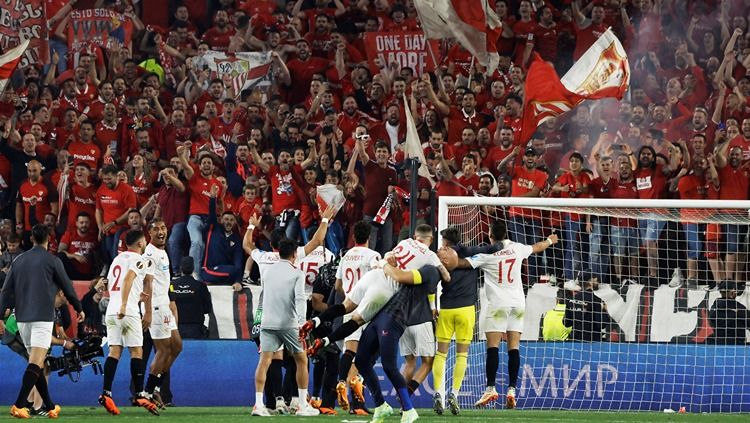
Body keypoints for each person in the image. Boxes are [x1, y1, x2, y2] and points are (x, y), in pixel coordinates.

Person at [456, 220, 558, 409]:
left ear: (490, 236)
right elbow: (536, 247)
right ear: (506, 235)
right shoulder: (517, 248)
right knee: (514, 348)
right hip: (518, 304)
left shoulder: (487, 254)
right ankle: (511, 390)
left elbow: (462, 264)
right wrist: (550, 241)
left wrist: (448, 255)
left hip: (498, 305)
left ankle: (491, 388)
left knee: (493, 347)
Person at [302, 224, 452, 353]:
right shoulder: (432, 256)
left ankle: (314, 321)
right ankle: (325, 341)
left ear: (415, 236)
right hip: (385, 288)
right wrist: (444, 267)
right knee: (357, 321)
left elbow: (389, 255)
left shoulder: (406, 241)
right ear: (430, 239)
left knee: (344, 307)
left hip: (373, 275)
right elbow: (446, 277)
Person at [0, 224, 84, 419]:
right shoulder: (53, 261)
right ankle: (19, 405)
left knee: (36, 363)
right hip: (42, 318)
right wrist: (79, 308)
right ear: (50, 239)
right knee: (37, 363)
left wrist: (0, 318)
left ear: (32, 239)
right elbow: (68, 288)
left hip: (22, 319)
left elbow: (5, 291)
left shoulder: (19, 261)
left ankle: (49, 405)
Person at [354, 262, 445, 423]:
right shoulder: (418, 268)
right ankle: (381, 406)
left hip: (395, 318)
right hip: (381, 315)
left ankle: (409, 409)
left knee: (390, 366)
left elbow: (398, 275)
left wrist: (382, 263)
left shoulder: (430, 271)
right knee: (361, 360)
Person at [432, 226, 500, 416]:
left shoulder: (439, 257)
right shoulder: (471, 252)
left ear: (445, 242)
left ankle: (438, 393)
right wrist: (501, 242)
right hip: (466, 310)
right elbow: (491, 249)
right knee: (462, 354)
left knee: (441, 353)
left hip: (446, 309)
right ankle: (454, 394)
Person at [251, 239, 319, 417]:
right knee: (301, 360)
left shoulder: (268, 272)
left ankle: (258, 405)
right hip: (288, 323)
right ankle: (302, 405)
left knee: (264, 362)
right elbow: (299, 298)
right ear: (295, 254)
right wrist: (302, 322)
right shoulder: (296, 273)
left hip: (267, 322)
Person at [98, 229, 159, 416]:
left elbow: (112, 284)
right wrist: (126, 304)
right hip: (128, 312)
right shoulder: (139, 260)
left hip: (111, 311)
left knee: (114, 351)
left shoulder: (117, 259)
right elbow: (127, 280)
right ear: (140, 244)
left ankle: (106, 393)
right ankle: (140, 392)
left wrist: (135, 297)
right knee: (136, 351)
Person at [332, 220, 381, 412]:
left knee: (350, 352)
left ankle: (342, 382)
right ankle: (358, 403)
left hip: (349, 306)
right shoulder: (373, 255)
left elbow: (337, 286)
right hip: (367, 308)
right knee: (365, 357)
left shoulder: (346, 256)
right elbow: (379, 274)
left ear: (353, 237)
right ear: (369, 237)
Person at [142, 220, 182, 406]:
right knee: (164, 349)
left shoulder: (163, 252)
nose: (161, 232)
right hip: (155, 307)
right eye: (156, 229)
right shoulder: (150, 254)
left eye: (163, 228)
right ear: (149, 232)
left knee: (177, 346)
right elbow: (147, 282)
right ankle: (147, 392)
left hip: (164, 305)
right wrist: (148, 312)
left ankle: (156, 387)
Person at [200, 186, 243, 287]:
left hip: (225, 270)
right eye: (226, 219)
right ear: (221, 220)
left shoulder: (236, 238)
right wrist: (213, 198)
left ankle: (230, 281)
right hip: (208, 270)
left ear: (235, 223)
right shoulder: (213, 228)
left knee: (236, 269)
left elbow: (238, 259)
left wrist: (238, 281)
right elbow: (212, 215)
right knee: (235, 271)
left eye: (231, 220)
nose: (228, 222)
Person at [171, 257, 213, 339]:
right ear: (193, 268)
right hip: (196, 329)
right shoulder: (200, 286)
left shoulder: (172, 285)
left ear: (180, 268)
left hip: (175, 328)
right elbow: (208, 308)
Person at [708, 280, 750, 345]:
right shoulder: (739, 308)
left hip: (718, 344)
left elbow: (711, 322)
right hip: (737, 345)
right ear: (733, 292)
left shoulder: (714, 307)